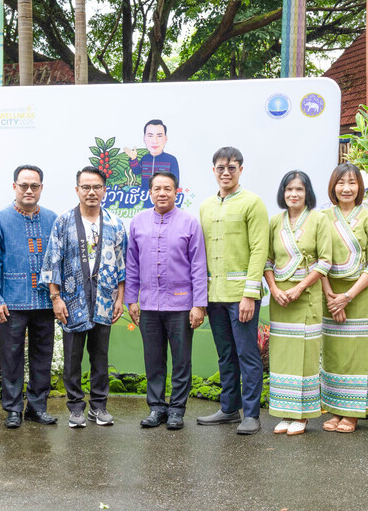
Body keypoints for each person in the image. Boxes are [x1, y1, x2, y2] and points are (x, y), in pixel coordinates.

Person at [42, 166, 127, 428]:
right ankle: (76, 408)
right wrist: (56, 298)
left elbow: (122, 265)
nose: (91, 192)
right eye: (86, 187)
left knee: (100, 356)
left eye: (96, 187)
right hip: (72, 300)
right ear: (77, 190)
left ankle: (99, 407)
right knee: (72, 358)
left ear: (104, 190)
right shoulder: (63, 222)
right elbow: (53, 261)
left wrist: (120, 299)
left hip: (104, 299)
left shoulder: (115, 223)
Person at [125, 171, 207, 430]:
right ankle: (157, 408)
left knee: (181, 360)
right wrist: (131, 299)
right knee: (153, 359)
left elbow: (198, 266)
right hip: (149, 305)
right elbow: (132, 264)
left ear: (176, 192)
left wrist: (199, 304)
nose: (162, 193)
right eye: (157, 189)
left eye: (167, 188)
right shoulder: (138, 222)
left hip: (181, 305)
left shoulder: (189, 223)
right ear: (150, 192)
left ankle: (177, 410)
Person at [196, 146, 269, 435]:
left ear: (240, 170)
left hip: (242, 297)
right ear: (213, 170)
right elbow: (200, 253)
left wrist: (249, 294)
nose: (226, 173)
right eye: (220, 168)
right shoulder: (205, 206)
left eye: (231, 168)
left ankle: (251, 414)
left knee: (247, 355)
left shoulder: (253, 203)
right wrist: (201, 297)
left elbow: (260, 249)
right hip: (214, 295)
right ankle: (228, 409)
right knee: (225, 355)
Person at [0, 164, 59, 428]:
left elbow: (58, 260)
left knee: (42, 356)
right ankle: (13, 409)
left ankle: (37, 407)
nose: (29, 190)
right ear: (14, 186)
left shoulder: (52, 219)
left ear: (41, 188)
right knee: (11, 357)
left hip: (45, 302)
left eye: (34, 186)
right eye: (23, 185)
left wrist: (58, 297)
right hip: (11, 302)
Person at [264, 171, 333, 436]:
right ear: (283, 193)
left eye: (299, 189)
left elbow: (325, 262)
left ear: (307, 193)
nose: (294, 194)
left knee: (304, 355)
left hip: (306, 297)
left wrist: (299, 287)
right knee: (282, 355)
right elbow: (267, 261)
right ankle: (285, 412)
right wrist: (274, 288)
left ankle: (302, 415)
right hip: (280, 299)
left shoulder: (319, 219)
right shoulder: (275, 221)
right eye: (289, 189)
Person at [319, 163, 368, 433]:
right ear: (333, 186)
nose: (346, 188)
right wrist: (331, 297)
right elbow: (317, 259)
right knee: (332, 354)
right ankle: (334, 409)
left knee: (357, 355)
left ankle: (352, 413)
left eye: (352, 183)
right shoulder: (322, 217)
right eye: (341, 182)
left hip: (359, 296)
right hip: (329, 295)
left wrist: (347, 297)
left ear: (360, 187)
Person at [124, 119, 180, 195]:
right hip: (144, 195)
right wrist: (133, 158)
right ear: (144, 138)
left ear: (165, 139)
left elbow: (175, 181)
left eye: (159, 136)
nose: (155, 141)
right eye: (150, 136)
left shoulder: (171, 160)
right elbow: (136, 171)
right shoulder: (145, 158)